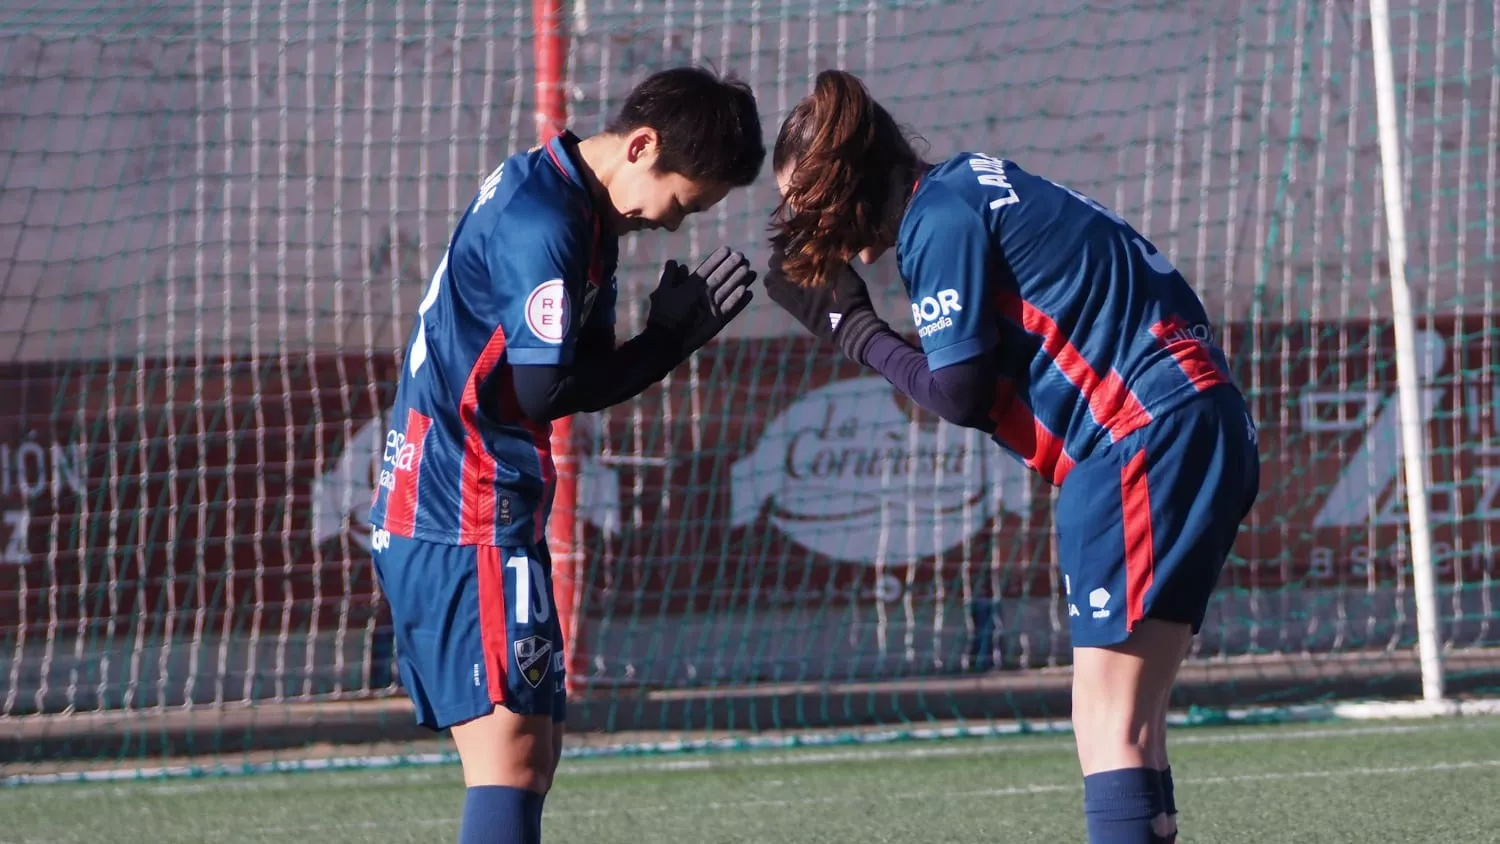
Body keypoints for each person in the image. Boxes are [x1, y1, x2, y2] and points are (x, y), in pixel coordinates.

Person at [762, 69, 1259, 844]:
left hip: (1139, 437)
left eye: (808, 206)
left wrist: (851, 328)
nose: (806, 229)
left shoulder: (939, 217)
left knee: (1108, 721)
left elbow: (958, 395)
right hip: (1199, 419)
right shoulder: (974, 180)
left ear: (849, 183)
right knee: (1137, 721)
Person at [367, 66, 764, 844]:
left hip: (488, 510)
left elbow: (580, 370)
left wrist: (658, 344)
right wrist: (667, 343)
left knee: (532, 752)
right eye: (683, 200)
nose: (676, 224)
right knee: (511, 757)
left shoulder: (581, 215)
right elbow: (546, 390)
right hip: (459, 511)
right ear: (642, 146)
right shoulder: (542, 218)